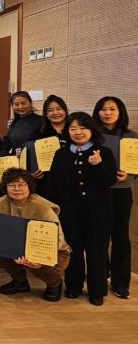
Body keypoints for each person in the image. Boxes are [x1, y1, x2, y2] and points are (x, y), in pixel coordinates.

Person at [49, 112, 117, 306]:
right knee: (74, 250)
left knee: (97, 251)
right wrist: (54, 208)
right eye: (73, 128)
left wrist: (98, 165)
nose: (78, 132)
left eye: (83, 128)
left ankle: (97, 291)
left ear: (92, 130)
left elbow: (109, 180)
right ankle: (73, 286)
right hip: (69, 211)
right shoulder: (61, 153)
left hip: (98, 211)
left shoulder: (103, 152)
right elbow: (53, 182)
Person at [0, 168, 70, 302]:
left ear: (29, 186)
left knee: (36, 263)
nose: (17, 189)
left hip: (51, 249)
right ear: (5, 187)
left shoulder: (43, 207)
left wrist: (37, 257)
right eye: (11, 185)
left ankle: (54, 284)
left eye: (21, 184)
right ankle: (20, 282)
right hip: (17, 246)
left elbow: (58, 238)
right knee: (1, 252)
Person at [92, 96, 136, 299]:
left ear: (120, 112)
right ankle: (100, 275)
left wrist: (129, 173)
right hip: (98, 190)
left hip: (121, 191)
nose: (107, 113)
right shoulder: (92, 136)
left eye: (112, 109)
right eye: (103, 109)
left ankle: (121, 282)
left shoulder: (131, 136)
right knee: (99, 235)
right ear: (97, 112)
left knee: (121, 236)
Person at [33, 94, 69, 197]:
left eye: (59, 109)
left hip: (71, 179)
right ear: (46, 114)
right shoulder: (39, 133)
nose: (55, 113)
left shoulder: (74, 131)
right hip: (47, 182)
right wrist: (32, 172)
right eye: (50, 110)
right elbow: (31, 156)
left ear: (65, 110)